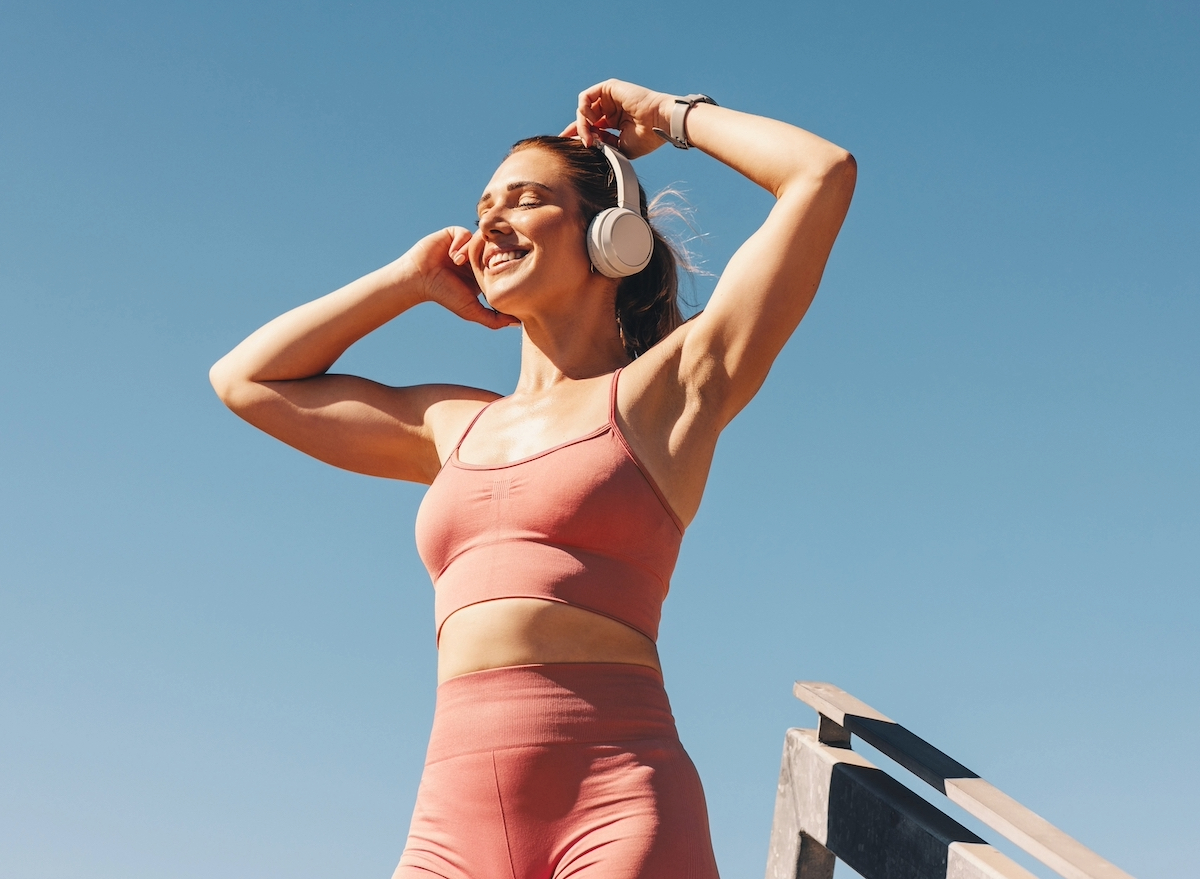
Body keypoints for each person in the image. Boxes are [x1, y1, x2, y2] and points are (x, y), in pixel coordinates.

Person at [209, 79, 855, 879]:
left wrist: (666, 116)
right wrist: (407, 279)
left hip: (616, 806)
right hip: (448, 824)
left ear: (609, 238)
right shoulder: (451, 424)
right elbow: (245, 381)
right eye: (483, 208)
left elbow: (821, 174)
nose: (490, 222)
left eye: (523, 200)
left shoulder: (665, 392)